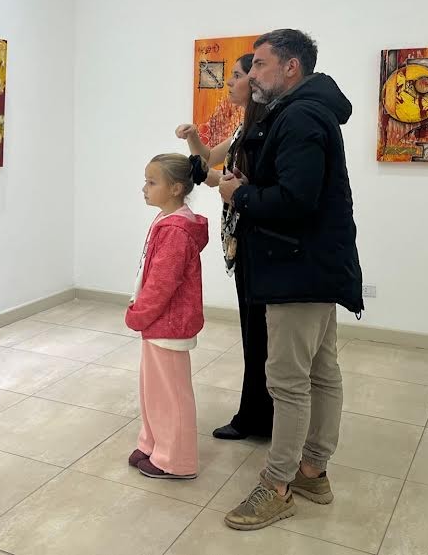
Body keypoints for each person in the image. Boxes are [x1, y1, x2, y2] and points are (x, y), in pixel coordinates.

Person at [221, 29, 364, 530]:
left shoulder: (300, 116)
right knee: (322, 372)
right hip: (315, 265)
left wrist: (239, 195)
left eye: (260, 64)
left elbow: (295, 201)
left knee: (287, 381)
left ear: (291, 67)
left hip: (296, 268)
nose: (253, 74)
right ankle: (312, 472)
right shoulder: (308, 110)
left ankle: (278, 485)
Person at [176, 53, 274, 441]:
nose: (230, 82)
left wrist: (216, 180)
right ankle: (257, 415)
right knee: (255, 334)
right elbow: (210, 161)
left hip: (255, 240)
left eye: (237, 75)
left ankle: (256, 417)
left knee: (258, 336)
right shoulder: (244, 128)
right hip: (243, 239)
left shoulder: (263, 130)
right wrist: (193, 140)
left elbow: (235, 183)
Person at [125, 153, 210, 480]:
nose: (144, 188)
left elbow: (162, 283)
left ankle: (177, 460)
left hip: (168, 324)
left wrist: (139, 315)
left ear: (175, 188)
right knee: (153, 389)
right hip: (157, 324)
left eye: (152, 182)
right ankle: (153, 444)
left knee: (171, 394)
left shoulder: (176, 230)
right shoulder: (166, 219)